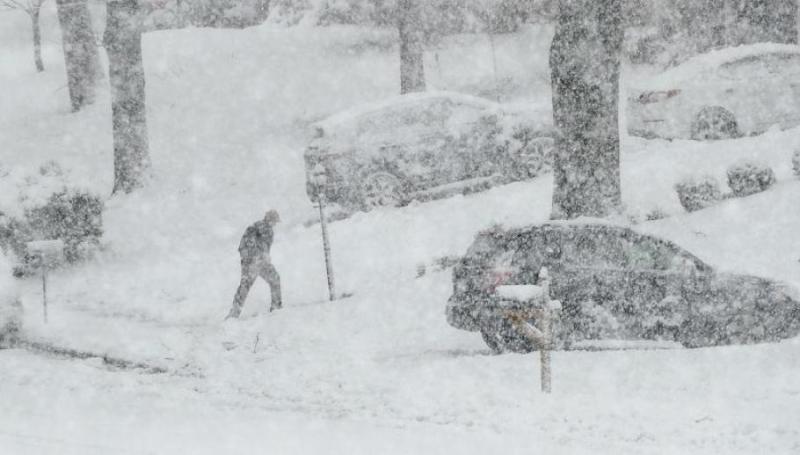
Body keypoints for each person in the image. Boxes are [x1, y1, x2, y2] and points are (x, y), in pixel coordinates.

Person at [226, 210, 282, 319]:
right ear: (270, 220)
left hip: (248, 261)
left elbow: (244, 246)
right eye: (275, 221)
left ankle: (234, 312)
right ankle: (276, 307)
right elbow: (262, 247)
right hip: (257, 261)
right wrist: (260, 257)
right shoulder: (266, 229)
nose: (275, 224)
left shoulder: (255, 226)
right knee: (275, 279)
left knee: (244, 286)